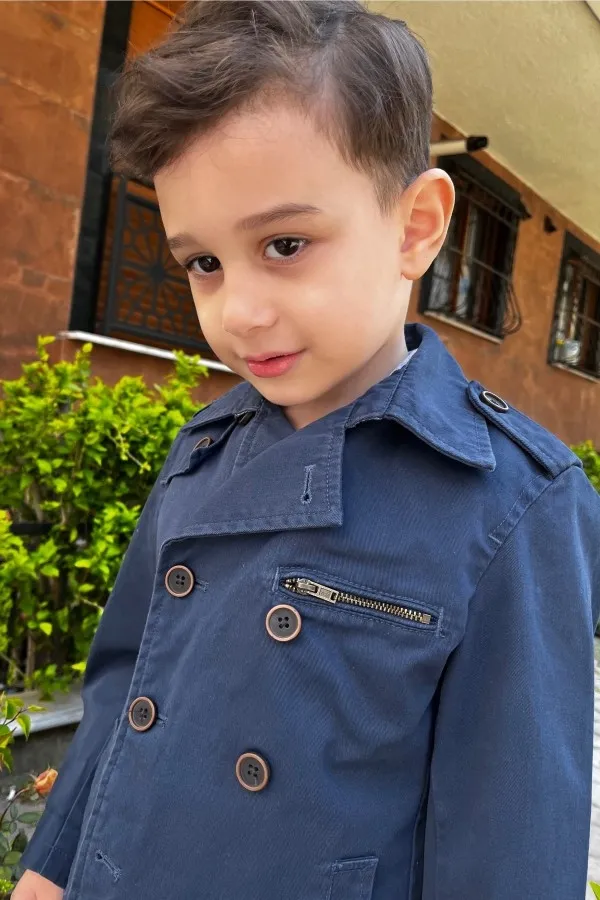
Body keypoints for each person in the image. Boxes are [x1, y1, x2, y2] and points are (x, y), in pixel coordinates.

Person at [14, 2, 600, 898]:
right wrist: (52, 867)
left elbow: (508, 850)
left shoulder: (514, 503)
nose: (238, 312)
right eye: (204, 263)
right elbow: (127, 685)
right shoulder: (204, 448)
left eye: (285, 244)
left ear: (415, 227)